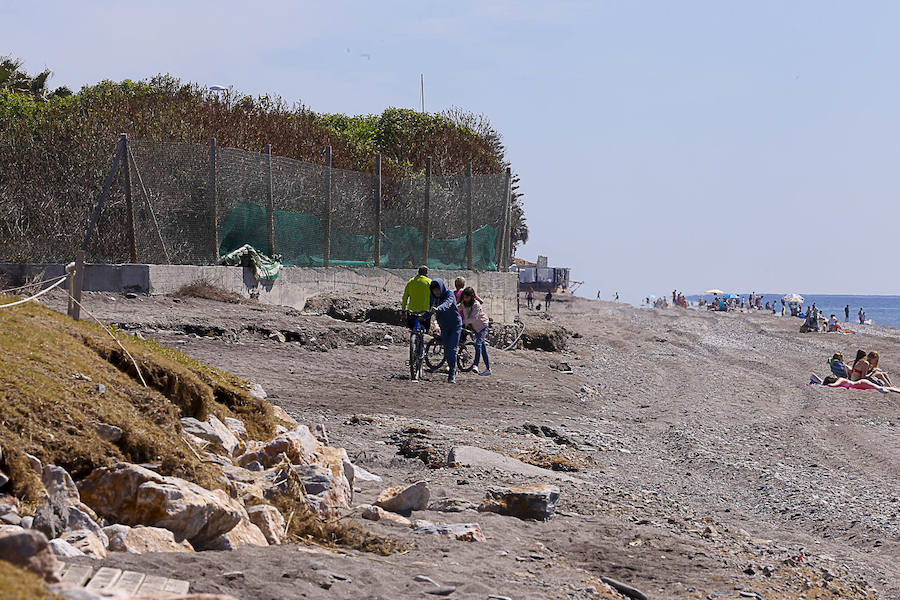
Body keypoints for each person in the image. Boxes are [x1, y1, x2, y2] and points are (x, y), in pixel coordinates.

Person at [429, 279, 463, 383]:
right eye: (434, 290)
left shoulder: (449, 294)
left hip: (455, 325)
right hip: (444, 326)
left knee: (452, 349)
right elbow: (430, 309)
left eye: (438, 289)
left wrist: (438, 308)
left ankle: (452, 373)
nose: (436, 292)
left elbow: (448, 304)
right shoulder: (433, 298)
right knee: (447, 349)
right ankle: (451, 366)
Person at [460, 287, 491, 376]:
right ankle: (488, 369)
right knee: (483, 348)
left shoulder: (476, 305)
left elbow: (474, 318)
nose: (465, 299)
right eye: (464, 297)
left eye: (467, 297)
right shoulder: (464, 303)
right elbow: (458, 308)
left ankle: (475, 365)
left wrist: (462, 321)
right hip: (476, 328)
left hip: (483, 326)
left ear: (471, 297)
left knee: (478, 344)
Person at [401, 266, 432, 330]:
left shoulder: (411, 281)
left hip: (412, 312)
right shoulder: (429, 282)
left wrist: (403, 310)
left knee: (411, 330)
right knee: (425, 332)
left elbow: (405, 298)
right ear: (426, 273)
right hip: (424, 312)